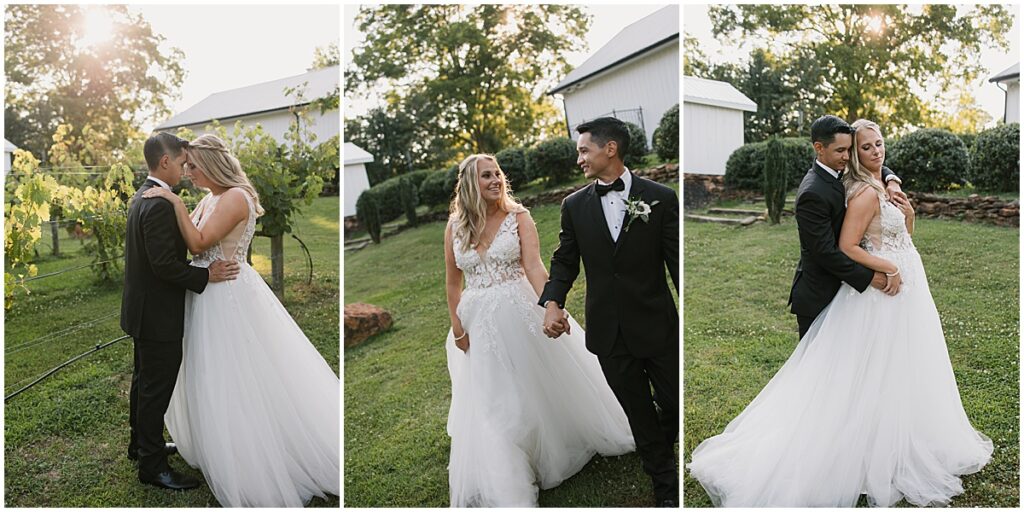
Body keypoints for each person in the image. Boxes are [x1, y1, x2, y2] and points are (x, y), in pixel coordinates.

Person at [687, 119, 993, 507]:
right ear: (824, 150)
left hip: (902, 292)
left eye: (876, 144)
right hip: (841, 290)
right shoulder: (827, 191)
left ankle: (887, 440)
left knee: (894, 370)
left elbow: (897, 219)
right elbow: (833, 250)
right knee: (830, 381)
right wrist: (881, 273)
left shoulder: (872, 180)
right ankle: (824, 452)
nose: (869, 152)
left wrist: (901, 197)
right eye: (858, 148)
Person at [142, 134, 339, 507]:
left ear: (212, 165)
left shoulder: (235, 197)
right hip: (205, 291)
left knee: (234, 376)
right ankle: (218, 445)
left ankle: (251, 457)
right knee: (208, 374)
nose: (188, 172)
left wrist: (171, 200)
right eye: (186, 165)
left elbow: (199, 243)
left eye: (193, 166)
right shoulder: (209, 198)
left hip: (226, 295)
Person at [443, 154, 635, 507]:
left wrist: (552, 305)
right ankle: (510, 466)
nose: (496, 180)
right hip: (478, 322)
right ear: (470, 183)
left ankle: (556, 440)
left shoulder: (518, 217)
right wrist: (457, 329)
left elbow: (533, 266)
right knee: (493, 399)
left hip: (519, 310)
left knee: (536, 386)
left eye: (498, 174)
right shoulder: (455, 227)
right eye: (486, 176)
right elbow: (453, 283)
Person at [539, 117, 680, 507]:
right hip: (609, 332)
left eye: (584, 150)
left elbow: (676, 263)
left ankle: (659, 444)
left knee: (674, 402)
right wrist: (553, 302)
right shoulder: (574, 206)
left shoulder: (661, 198)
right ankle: (664, 484)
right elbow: (565, 261)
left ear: (610, 149)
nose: (579, 158)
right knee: (638, 413)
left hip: (657, 324)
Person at [121, 132, 239, 490]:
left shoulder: (143, 196)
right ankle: (153, 467)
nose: (186, 169)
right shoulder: (158, 203)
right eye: (184, 163)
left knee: (144, 384)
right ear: (165, 162)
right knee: (155, 389)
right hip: (157, 315)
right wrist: (205, 274)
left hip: (143, 310)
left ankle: (141, 446)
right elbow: (164, 267)